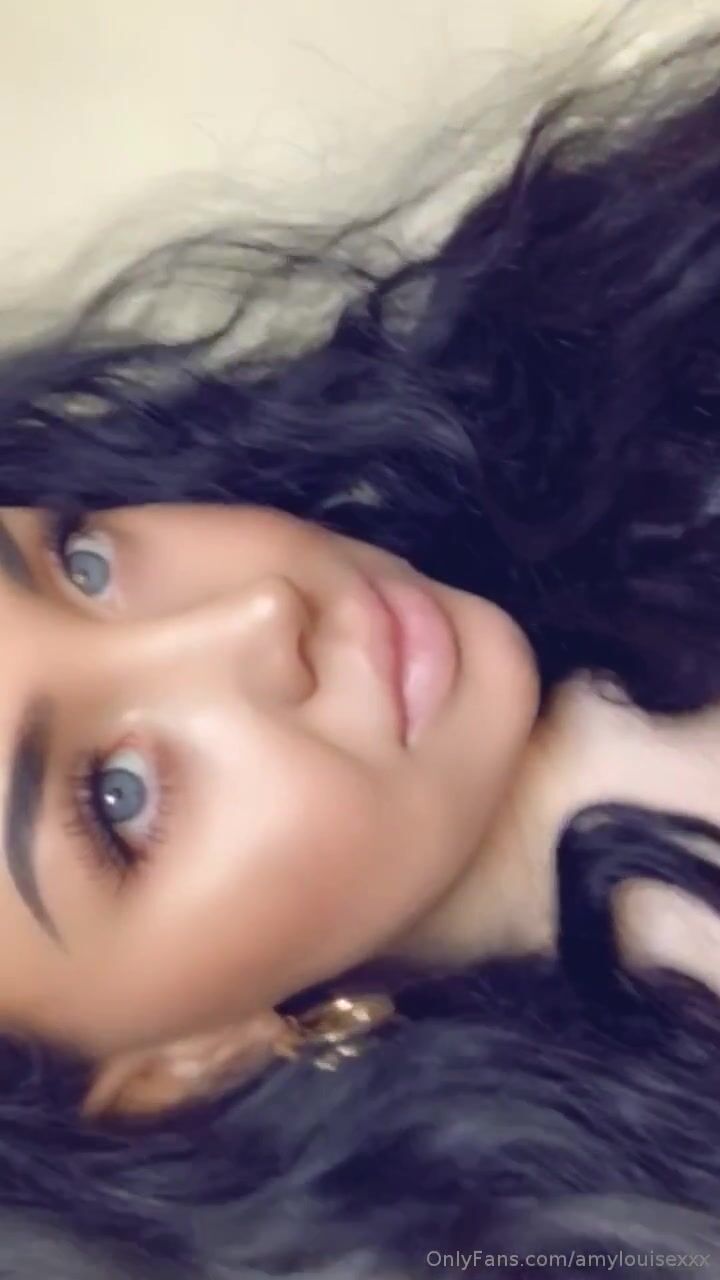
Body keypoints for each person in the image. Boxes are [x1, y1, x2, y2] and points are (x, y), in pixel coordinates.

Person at [1, 19, 720, 1279]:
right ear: (184, 1067)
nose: (256, 616)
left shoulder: (637, 315)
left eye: (85, 560)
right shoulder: (608, 1229)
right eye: (119, 796)